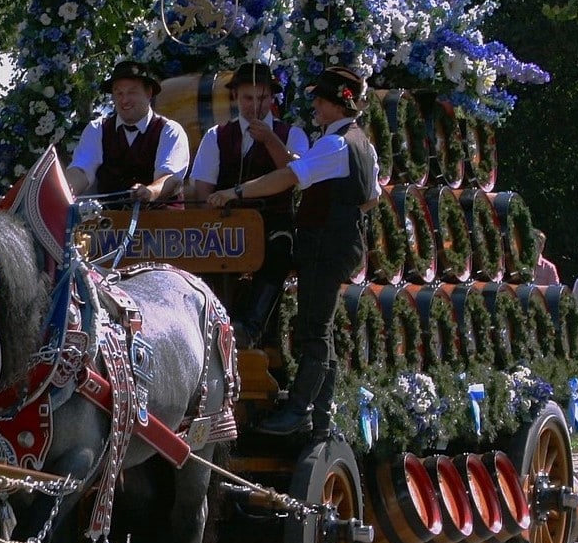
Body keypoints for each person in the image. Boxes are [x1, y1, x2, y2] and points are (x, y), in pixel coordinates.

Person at [209, 66, 380, 440]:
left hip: (324, 246)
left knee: (313, 332)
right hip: (337, 244)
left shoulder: (335, 144)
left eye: (320, 99)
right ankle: (320, 415)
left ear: (338, 104)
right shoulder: (361, 143)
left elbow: (288, 176)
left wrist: (236, 193)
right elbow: (370, 199)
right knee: (322, 331)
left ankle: (300, 411)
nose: (315, 105)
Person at [191, 62, 309, 348]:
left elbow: (298, 175)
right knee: (208, 256)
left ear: (272, 99)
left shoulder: (291, 134)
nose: (255, 105)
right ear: (235, 98)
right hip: (225, 222)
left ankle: (251, 329)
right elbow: (202, 190)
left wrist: (269, 140)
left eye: (262, 98)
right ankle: (210, 330)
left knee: (279, 251)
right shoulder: (216, 136)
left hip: (272, 221)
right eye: (248, 98)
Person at [66, 60, 190, 205]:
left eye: (132, 92)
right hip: (110, 221)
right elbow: (82, 170)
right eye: (119, 93)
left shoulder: (169, 130)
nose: (124, 100)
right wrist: (66, 190)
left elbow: (171, 178)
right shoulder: (97, 129)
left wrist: (150, 192)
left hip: (161, 222)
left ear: (148, 93)